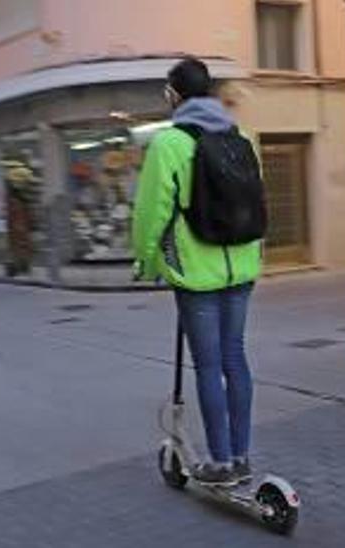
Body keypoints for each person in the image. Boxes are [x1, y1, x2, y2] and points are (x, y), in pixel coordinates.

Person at [132, 58, 263, 486]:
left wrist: (147, 263)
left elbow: (152, 213)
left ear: (174, 94)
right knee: (235, 358)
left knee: (208, 366)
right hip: (241, 267)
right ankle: (241, 456)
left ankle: (220, 464)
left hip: (197, 273)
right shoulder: (239, 136)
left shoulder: (169, 143)